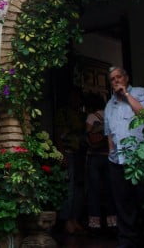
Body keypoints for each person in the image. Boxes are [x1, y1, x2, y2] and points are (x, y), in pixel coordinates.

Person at [104, 66, 144, 248]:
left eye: (118, 77)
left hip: (139, 160)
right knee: (123, 204)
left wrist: (126, 95)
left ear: (126, 78)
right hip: (117, 162)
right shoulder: (109, 105)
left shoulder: (140, 93)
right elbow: (109, 133)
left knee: (143, 202)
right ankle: (126, 241)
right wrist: (111, 154)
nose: (115, 81)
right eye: (112, 79)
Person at [55, 88, 87, 235]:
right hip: (68, 152)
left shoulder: (82, 115)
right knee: (69, 187)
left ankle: (75, 219)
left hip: (81, 154)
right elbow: (58, 134)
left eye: (78, 98)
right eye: (73, 97)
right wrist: (62, 154)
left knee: (80, 188)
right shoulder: (63, 113)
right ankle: (67, 220)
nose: (76, 101)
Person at [85, 93, 116, 236]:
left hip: (95, 157)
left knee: (94, 191)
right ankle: (112, 224)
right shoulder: (109, 115)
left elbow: (87, 135)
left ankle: (94, 225)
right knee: (110, 190)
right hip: (108, 157)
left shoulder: (91, 117)